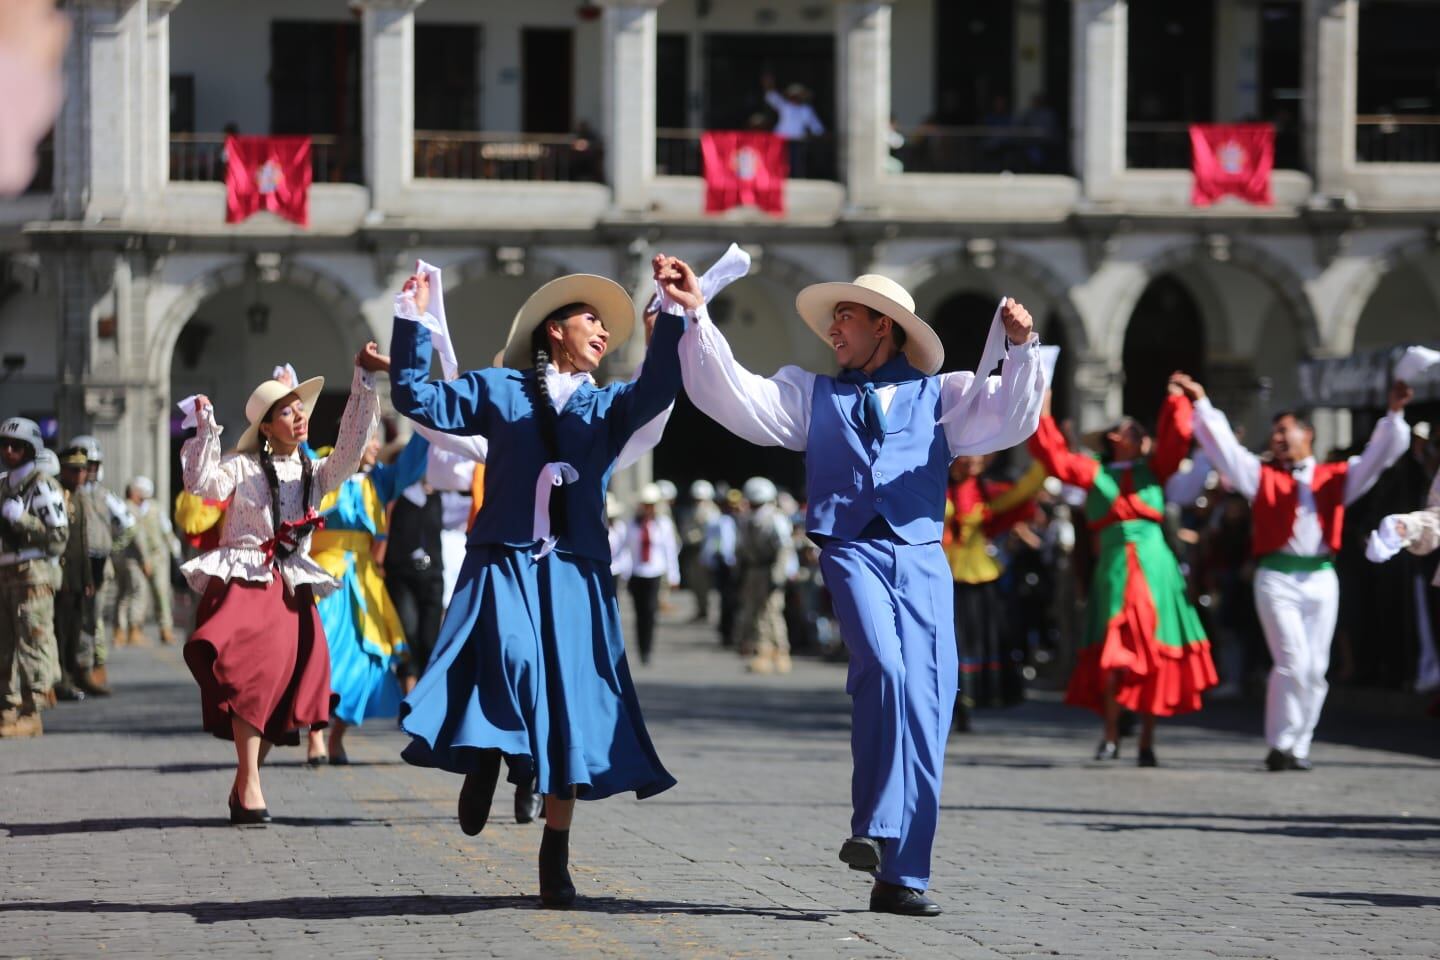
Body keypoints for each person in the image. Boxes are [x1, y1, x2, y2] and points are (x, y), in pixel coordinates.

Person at [672, 254, 1045, 917]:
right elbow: (729, 391)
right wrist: (697, 313)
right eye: (833, 320)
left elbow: (1011, 420)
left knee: (931, 705)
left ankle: (901, 877)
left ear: (886, 326)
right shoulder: (811, 395)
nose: (833, 330)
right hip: (850, 549)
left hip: (924, 556)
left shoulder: (945, 396)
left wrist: (1020, 349)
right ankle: (873, 825)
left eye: (845, 317)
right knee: (884, 668)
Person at [389, 261, 688, 908]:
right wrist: (410, 320)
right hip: (504, 557)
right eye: (591, 320)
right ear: (554, 330)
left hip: (576, 568)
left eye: (608, 326)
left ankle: (556, 849)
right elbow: (417, 399)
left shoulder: (609, 406)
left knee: (568, 713)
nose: (603, 332)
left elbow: (660, 387)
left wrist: (673, 318)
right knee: (514, 658)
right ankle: (485, 757)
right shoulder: (498, 390)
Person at [179, 347, 382, 824]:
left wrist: (363, 379)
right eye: (286, 412)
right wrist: (206, 428)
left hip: (292, 584)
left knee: (292, 685)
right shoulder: (243, 466)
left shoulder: (315, 471)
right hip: (249, 583)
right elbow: (201, 485)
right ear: (266, 427)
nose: (298, 418)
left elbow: (351, 449)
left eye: (300, 410)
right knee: (252, 678)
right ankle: (250, 784)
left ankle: (244, 781)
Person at [1179, 372, 1411, 771]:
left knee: (1316, 669)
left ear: (1309, 434)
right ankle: (1279, 742)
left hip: (1321, 578)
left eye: (1285, 431)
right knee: (1292, 660)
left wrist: (1394, 413)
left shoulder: (1337, 478)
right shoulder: (1262, 477)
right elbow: (1227, 451)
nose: (1278, 439)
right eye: (1274, 433)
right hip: (1277, 579)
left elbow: (1379, 455)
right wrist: (1201, 403)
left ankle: (1298, 745)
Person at [1027, 385, 1217, 764]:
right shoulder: (1094, 470)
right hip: (1114, 569)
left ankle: (1147, 740)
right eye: (1132, 430)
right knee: (1114, 656)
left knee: (1154, 653)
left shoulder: (1155, 469)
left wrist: (1177, 399)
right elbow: (1053, 457)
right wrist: (1043, 409)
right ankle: (1111, 735)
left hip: (1155, 567)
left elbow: (1177, 439)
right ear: (1116, 437)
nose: (1139, 436)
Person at [309, 430, 426, 765]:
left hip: (363, 580)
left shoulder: (379, 481)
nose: (376, 445)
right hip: (325, 575)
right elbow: (295, 457)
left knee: (366, 662)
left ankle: (337, 735)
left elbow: (413, 462)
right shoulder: (323, 471)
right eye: (369, 437)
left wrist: (427, 421)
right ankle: (315, 732)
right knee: (322, 654)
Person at [944, 456, 1046, 729]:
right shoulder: (934, 489)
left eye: (978, 460)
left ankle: (966, 701)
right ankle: (948, 701)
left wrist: (1046, 454)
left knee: (975, 642)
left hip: (982, 578)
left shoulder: (987, 494)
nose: (975, 463)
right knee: (947, 643)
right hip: (942, 578)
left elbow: (1025, 490)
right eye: (969, 459)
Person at [0, 418, 67, 736]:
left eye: (16, 446)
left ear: (30, 449)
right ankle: (8, 708)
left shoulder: (42, 484)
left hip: (32, 576)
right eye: (4, 445)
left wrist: (23, 520)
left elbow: (58, 537)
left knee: (33, 641)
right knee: (5, 645)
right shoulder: (3, 484)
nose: (9, 451)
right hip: (5, 574)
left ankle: (33, 712)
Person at [53, 447, 103, 697]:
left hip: (76, 577)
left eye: (83, 469)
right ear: (62, 470)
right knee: (59, 631)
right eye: (74, 469)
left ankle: (70, 676)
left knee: (74, 629)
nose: (81, 474)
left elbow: (82, 542)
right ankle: (60, 678)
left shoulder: (79, 497)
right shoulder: (56, 494)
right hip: (60, 575)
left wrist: (87, 578)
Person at [735, 476, 794, 674]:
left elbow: (784, 549)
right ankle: (763, 650)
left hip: (769, 570)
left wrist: (777, 576)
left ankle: (779, 651)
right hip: (754, 571)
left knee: (771, 611)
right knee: (755, 611)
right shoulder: (747, 519)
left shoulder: (775, 519)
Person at [116, 476, 176, 646]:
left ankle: (166, 629)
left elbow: (166, 530)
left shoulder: (156, 509)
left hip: (157, 556)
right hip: (136, 558)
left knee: (161, 592)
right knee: (138, 593)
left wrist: (174, 552)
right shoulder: (129, 509)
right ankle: (133, 629)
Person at [625, 483, 680, 666]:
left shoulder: (663, 524)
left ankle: (647, 649)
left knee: (649, 611)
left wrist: (674, 575)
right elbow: (625, 550)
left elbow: (670, 550)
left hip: (654, 572)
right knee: (639, 612)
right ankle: (641, 647)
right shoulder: (632, 524)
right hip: (636, 572)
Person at [762, 74, 824, 178]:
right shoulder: (785, 106)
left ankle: (796, 178)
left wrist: (819, 134)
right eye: (792, 95)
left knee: (796, 162)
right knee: (780, 160)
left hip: (797, 140)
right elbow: (771, 97)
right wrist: (768, 85)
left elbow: (816, 126)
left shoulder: (806, 110)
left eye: (797, 95)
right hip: (782, 139)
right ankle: (778, 177)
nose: (794, 97)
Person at [680, 480, 719, 622]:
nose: (698, 502)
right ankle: (700, 608)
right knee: (695, 582)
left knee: (704, 583)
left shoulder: (712, 512)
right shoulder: (691, 511)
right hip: (693, 552)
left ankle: (705, 609)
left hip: (705, 552)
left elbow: (713, 535)